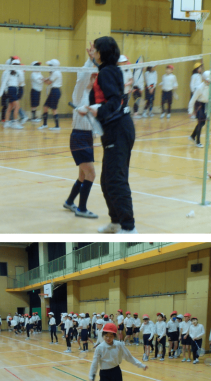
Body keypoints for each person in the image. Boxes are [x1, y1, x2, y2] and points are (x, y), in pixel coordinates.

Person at [79, 37, 137, 234]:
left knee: (116, 180)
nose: (92, 51)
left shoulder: (107, 72)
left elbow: (115, 102)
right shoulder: (107, 70)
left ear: (102, 52)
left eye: (95, 49)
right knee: (107, 180)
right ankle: (116, 222)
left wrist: (98, 111)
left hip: (118, 129)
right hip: (112, 130)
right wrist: (90, 108)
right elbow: (105, 99)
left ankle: (129, 228)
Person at [63, 56, 99, 219]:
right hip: (79, 137)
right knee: (91, 174)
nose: (93, 79)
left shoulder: (94, 97)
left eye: (95, 77)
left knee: (83, 175)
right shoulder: (79, 94)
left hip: (88, 138)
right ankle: (82, 209)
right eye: (92, 76)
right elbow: (81, 77)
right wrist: (90, 61)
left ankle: (70, 202)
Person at [40, 59, 62, 131]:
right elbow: (48, 79)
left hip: (55, 91)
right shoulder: (54, 72)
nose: (48, 67)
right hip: (53, 91)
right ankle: (45, 124)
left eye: (50, 65)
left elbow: (49, 82)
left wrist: (44, 81)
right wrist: (44, 79)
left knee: (54, 109)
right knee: (45, 106)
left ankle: (57, 126)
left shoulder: (56, 72)